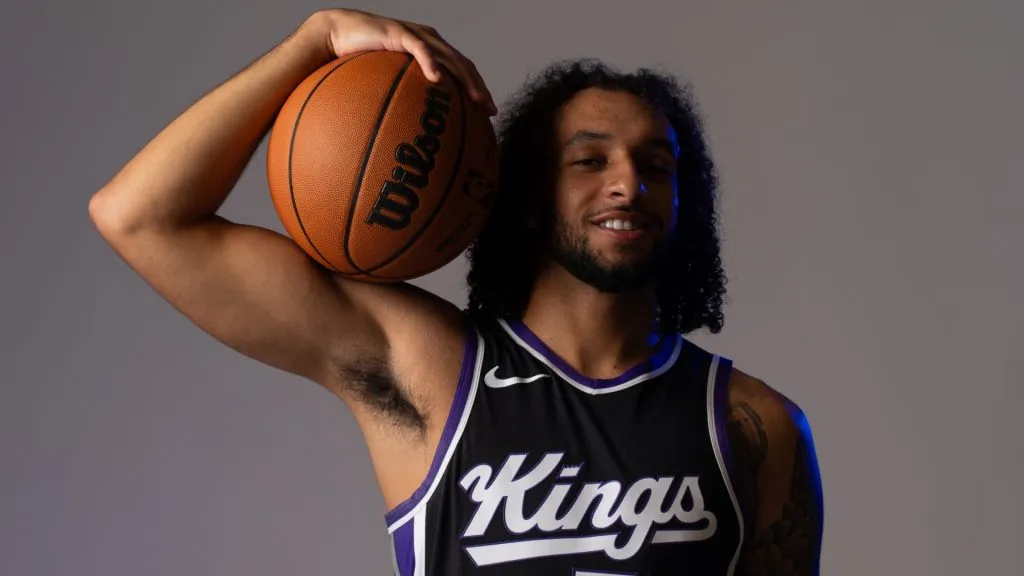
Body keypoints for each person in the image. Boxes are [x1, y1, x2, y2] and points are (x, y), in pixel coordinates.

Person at [89, 7, 824, 575]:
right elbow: (141, 218)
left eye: (655, 166)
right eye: (589, 159)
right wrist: (312, 43)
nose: (626, 183)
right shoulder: (431, 372)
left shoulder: (754, 426)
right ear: (531, 193)